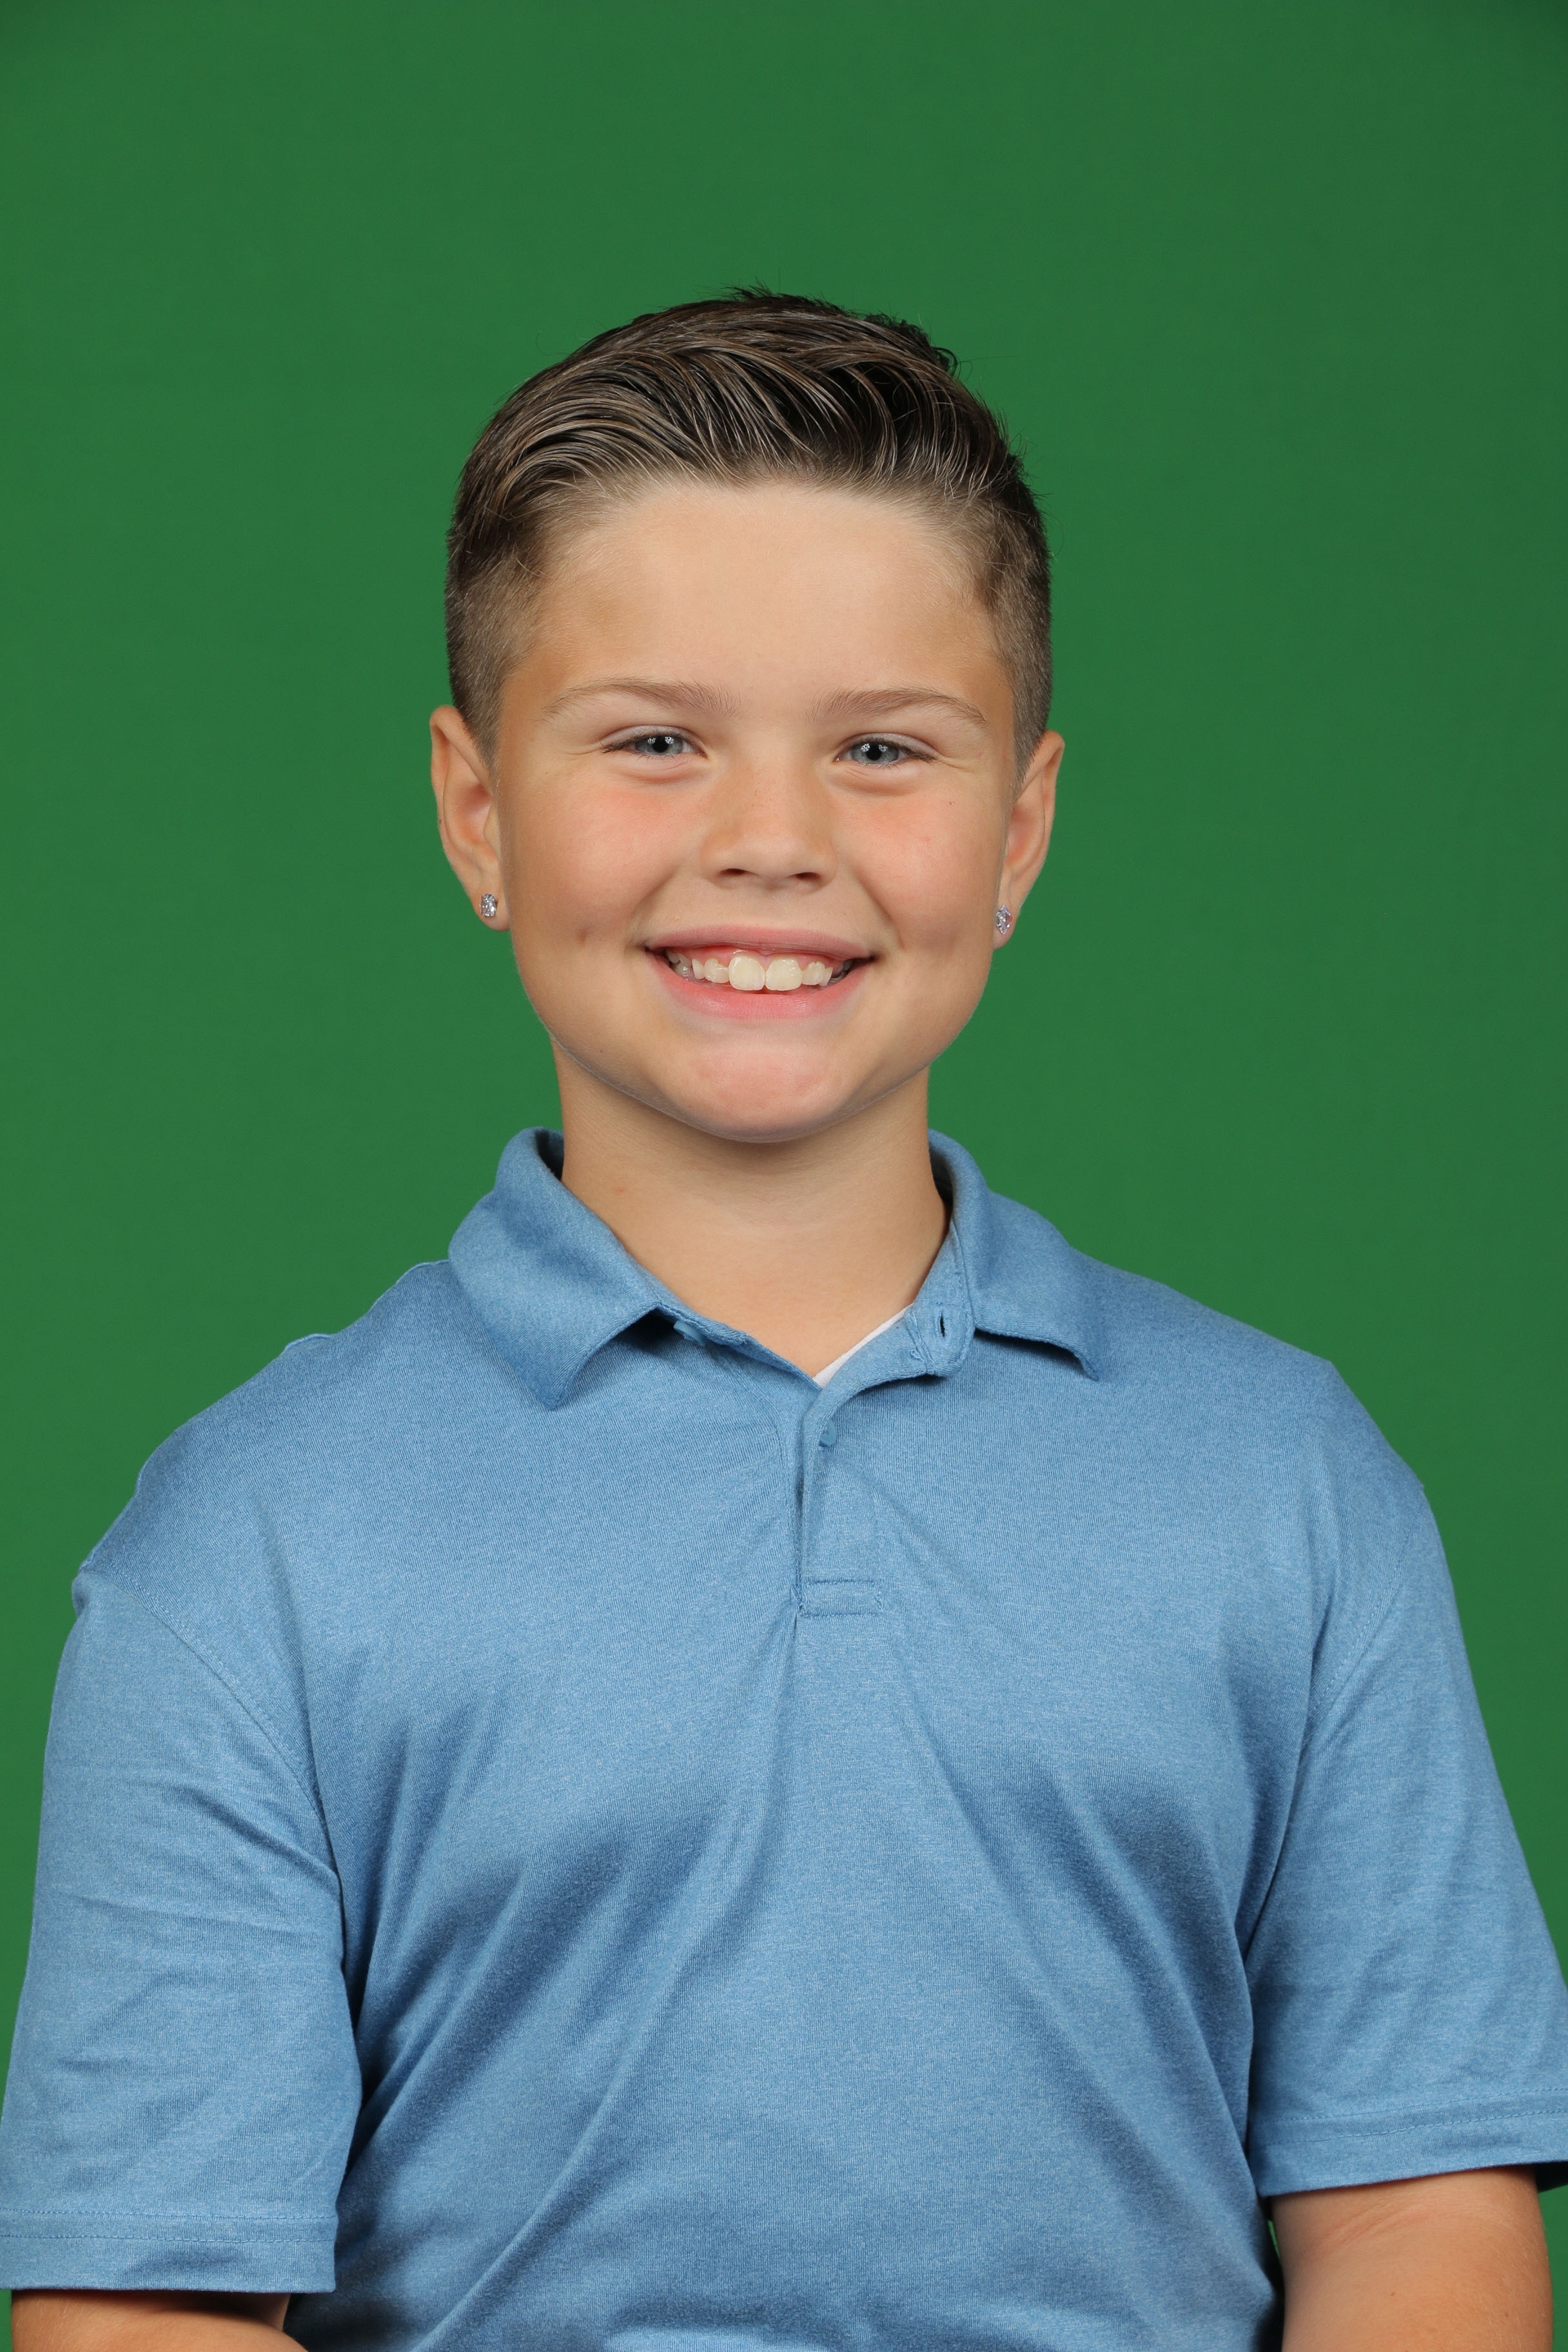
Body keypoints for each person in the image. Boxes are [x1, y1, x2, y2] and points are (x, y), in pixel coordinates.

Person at [2, 293, 1563, 2352]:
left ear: (1021, 829)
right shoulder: (252, 1544)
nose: (770, 841)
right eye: (655, 741)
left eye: (883, 748)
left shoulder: (1288, 1483)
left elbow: (1416, 2226)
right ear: (476, 811)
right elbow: (144, 2311)